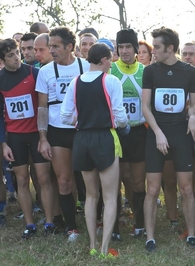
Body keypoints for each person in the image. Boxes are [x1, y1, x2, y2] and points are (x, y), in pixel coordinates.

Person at [60, 42, 129, 258]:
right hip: (104, 137)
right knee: (109, 197)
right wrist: (123, 126)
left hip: (82, 138)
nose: (112, 63)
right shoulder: (111, 81)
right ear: (104, 60)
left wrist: (81, 121)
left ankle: (92, 244)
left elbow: (64, 116)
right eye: (111, 59)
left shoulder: (75, 81)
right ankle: (104, 248)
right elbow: (120, 115)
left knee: (90, 195)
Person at [142, 27, 195, 251]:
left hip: (181, 136)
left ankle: (192, 234)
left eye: (156, 47)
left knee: (186, 188)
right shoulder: (150, 71)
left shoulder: (189, 72)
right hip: (156, 134)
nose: (153, 50)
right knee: (152, 189)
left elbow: (194, 103)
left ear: (169, 48)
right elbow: (145, 106)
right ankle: (149, 237)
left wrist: (193, 117)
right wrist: (157, 132)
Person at [35, 26, 89, 241]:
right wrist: (43, 138)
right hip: (58, 132)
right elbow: (42, 108)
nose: (52, 50)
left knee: (89, 179)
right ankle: (71, 227)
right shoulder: (45, 72)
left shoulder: (86, 67)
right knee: (64, 180)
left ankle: (99, 220)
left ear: (69, 47)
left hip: (84, 131)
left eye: (56, 46)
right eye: (50, 46)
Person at [0, 38, 54, 238]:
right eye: (10, 55)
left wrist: (44, 135)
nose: (16, 57)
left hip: (37, 134)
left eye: (17, 52)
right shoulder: (1, 79)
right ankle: (30, 224)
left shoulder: (34, 73)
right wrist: (4, 143)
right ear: (2, 60)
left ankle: (49, 222)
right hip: (15, 137)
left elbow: (43, 105)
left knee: (43, 178)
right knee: (22, 180)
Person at [110, 29, 147, 240]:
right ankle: (115, 225)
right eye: (121, 47)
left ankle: (139, 223)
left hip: (138, 132)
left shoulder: (145, 71)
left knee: (136, 181)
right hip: (115, 132)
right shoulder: (110, 71)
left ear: (135, 49)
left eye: (128, 47)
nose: (124, 51)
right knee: (115, 180)